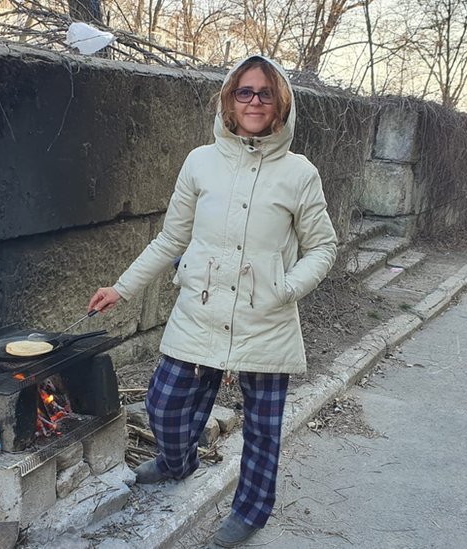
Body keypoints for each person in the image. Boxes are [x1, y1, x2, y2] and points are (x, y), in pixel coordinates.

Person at [88, 55, 337, 548]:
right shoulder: (200, 162)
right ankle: (178, 461)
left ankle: (249, 513)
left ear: (281, 103)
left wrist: (285, 289)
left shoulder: (299, 173)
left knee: (263, 430)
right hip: (199, 312)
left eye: (265, 93)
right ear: (229, 98)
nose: (254, 102)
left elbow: (323, 247)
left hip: (265, 319)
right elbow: (169, 240)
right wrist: (122, 287)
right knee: (163, 405)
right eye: (244, 91)